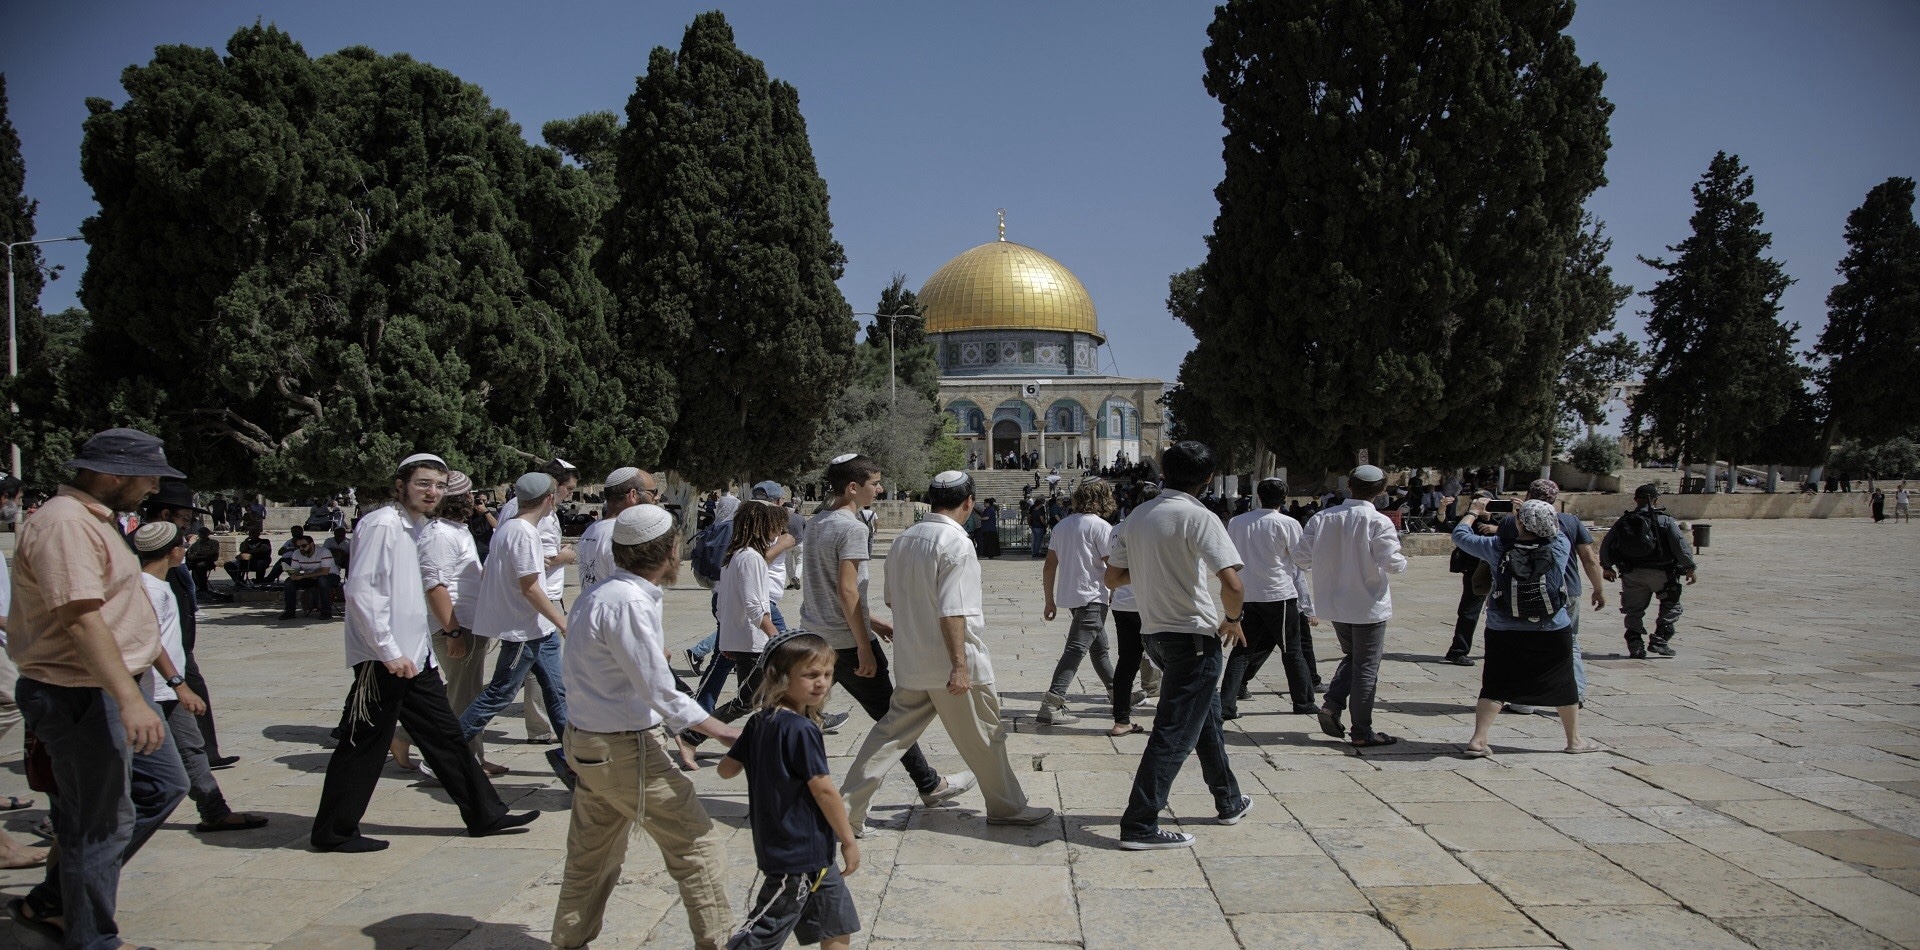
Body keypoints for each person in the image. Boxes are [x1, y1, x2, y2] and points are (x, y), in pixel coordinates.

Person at [5, 428, 190, 946]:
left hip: (112, 686)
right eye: (148, 477)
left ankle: (55, 901)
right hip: (84, 691)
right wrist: (128, 698)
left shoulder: (94, 520)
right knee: (100, 822)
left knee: (160, 788)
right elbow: (81, 619)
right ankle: (90, 938)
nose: (154, 488)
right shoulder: (65, 524)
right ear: (113, 474)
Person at [310, 452, 537, 853]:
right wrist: (387, 650)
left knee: (446, 737)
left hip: (414, 658)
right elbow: (363, 592)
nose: (432, 492)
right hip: (385, 659)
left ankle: (486, 814)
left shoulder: (415, 528)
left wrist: (420, 655)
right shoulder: (382, 524)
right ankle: (334, 831)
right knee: (363, 743)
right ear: (401, 486)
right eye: (423, 484)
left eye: (439, 486)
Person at [551, 505, 738, 950]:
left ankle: (569, 939)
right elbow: (658, 689)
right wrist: (723, 731)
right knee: (697, 846)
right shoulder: (630, 602)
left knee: (592, 855)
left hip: (589, 741)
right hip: (623, 748)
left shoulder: (601, 593)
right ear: (670, 551)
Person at [840, 471, 1049, 833]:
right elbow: (953, 610)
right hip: (952, 662)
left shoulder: (905, 539)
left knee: (889, 737)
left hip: (913, 661)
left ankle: (846, 809)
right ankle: (1007, 807)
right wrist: (959, 666)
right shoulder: (956, 543)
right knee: (986, 735)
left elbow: (891, 598)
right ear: (968, 503)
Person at [802, 454, 971, 814]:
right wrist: (864, 644)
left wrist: (873, 621)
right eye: (875, 483)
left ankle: (791, 786)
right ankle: (927, 784)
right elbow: (847, 590)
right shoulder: (852, 528)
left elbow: (827, 587)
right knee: (893, 721)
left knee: (803, 715)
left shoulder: (816, 523)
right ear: (853, 487)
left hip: (815, 635)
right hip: (847, 642)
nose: (879, 490)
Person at [1108, 442, 1249, 850]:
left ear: (1164, 471)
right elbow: (1233, 584)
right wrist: (1234, 618)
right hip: (1192, 638)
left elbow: (1112, 578)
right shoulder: (1199, 516)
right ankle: (1140, 824)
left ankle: (1229, 800)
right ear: (1208, 478)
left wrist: (1150, 572)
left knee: (1204, 718)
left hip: (1155, 635)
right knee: (1173, 734)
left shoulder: (1137, 516)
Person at [719, 632, 864, 949]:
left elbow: (726, 770)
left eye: (827, 674)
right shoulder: (802, 729)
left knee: (836, 924)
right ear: (780, 677)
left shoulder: (760, 722)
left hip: (809, 851)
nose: (821, 683)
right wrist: (849, 840)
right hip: (797, 854)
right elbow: (823, 791)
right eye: (810, 675)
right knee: (764, 930)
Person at [132, 523, 271, 834]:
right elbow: (149, 642)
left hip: (166, 689)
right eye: (184, 546)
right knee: (137, 763)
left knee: (191, 748)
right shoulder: (148, 589)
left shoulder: (157, 583)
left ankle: (214, 812)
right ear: (174, 551)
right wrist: (180, 685)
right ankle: (71, 821)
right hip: (152, 690)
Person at [1453, 499, 1603, 755]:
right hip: (1552, 626)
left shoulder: (1497, 548)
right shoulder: (1560, 545)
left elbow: (1460, 536)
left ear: (1520, 523)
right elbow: (1556, 531)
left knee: (1495, 682)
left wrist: (1473, 512)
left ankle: (1478, 740)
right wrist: (1526, 514)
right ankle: (1574, 741)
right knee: (1564, 681)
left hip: (1503, 628)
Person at [461, 473, 571, 775]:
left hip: (538, 629)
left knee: (557, 690)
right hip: (523, 629)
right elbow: (530, 588)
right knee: (500, 692)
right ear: (549, 499)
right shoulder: (524, 533)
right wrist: (562, 622)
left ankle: (576, 757)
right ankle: (444, 754)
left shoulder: (508, 527)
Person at [396, 471, 504, 775]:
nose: (474, 499)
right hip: (457, 627)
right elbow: (435, 586)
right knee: (465, 698)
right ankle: (459, 762)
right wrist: (453, 631)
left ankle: (408, 736)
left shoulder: (457, 530)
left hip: (470, 623)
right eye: (470, 495)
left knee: (462, 693)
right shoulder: (440, 535)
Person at [1299, 464, 1409, 748]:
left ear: (1349, 486)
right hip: (1368, 604)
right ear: (1382, 491)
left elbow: (1300, 557)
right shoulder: (1378, 521)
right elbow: (1392, 563)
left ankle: (1332, 704)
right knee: (1366, 666)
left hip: (1336, 604)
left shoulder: (1322, 518)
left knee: (1354, 656)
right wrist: (1402, 561)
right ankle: (1361, 730)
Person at [142, 482, 238, 768]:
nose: (188, 525)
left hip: (179, 643)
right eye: (184, 518)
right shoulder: (145, 548)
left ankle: (206, 755)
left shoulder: (173, 548)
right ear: (166, 514)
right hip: (159, 651)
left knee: (192, 696)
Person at [1496, 480, 1605, 708]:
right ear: (1555, 498)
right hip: (1567, 589)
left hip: (1521, 590)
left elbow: (1498, 555)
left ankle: (1523, 702)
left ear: (1529, 495)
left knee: (1523, 644)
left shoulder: (1511, 521)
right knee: (1569, 643)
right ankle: (1576, 695)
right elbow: (1588, 558)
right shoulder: (1570, 522)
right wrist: (1598, 589)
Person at [490, 458, 577, 743]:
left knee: (551, 680)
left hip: (544, 598)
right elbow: (526, 562)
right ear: (552, 488)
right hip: (536, 602)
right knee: (502, 690)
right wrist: (563, 557)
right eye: (567, 489)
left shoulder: (527, 511)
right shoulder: (527, 517)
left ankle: (565, 742)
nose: (569, 495)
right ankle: (452, 742)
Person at [1220, 477, 1313, 718]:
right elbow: (1301, 559)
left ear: (1258, 496)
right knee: (1292, 650)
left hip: (1247, 594)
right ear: (1284, 498)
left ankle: (1226, 704)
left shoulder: (1237, 522)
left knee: (1242, 650)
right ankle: (1303, 701)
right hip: (1278, 594)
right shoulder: (1288, 523)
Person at [1038, 480, 1119, 725]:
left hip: (1074, 597)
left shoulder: (1062, 526)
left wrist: (1049, 601)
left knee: (1099, 648)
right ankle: (1052, 702)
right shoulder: (1101, 527)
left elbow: (1049, 565)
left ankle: (1118, 692)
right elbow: (1113, 565)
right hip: (1093, 596)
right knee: (1075, 650)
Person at [1598, 483, 1697, 658]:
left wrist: (1607, 567)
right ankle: (1660, 640)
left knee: (1633, 610)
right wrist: (1690, 567)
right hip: (1662, 573)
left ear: (1635, 499)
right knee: (1671, 605)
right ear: (1656, 499)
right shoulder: (1665, 520)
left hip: (1631, 574)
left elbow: (1606, 544)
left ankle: (1635, 644)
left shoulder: (1624, 521)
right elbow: (1680, 545)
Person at [1105, 484, 1164, 739]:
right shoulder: (1158, 526)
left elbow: (1112, 565)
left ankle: (1121, 720)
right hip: (1153, 602)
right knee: (1171, 660)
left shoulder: (1118, 529)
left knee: (1127, 663)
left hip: (1124, 602)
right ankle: (1168, 719)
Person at [1443, 490, 1499, 666]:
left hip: (1501, 571)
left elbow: (1520, 532)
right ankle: (1458, 651)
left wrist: (1495, 528)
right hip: (1476, 571)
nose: (1481, 504)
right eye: (1476, 501)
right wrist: (1442, 510)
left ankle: (1498, 648)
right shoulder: (1469, 520)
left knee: (1501, 612)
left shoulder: (1501, 521)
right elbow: (1449, 528)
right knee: (1469, 612)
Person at [277, 532, 340, 621]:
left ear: (312, 544)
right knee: (289, 582)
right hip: (309, 577)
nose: (301, 549)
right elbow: (296, 570)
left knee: (322, 580)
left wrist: (303, 576)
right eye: (298, 547)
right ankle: (289, 611)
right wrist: (293, 575)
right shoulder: (296, 553)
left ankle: (326, 611)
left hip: (330, 576)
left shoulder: (324, 552)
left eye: (303, 546)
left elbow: (325, 572)